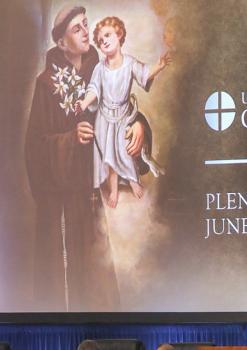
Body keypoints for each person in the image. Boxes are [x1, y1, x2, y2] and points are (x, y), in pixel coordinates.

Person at [24, 5, 148, 311]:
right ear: (62, 42)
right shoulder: (46, 84)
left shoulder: (104, 67)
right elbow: (34, 147)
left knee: (96, 280)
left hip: (90, 195)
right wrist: (69, 139)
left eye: (85, 24)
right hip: (61, 205)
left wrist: (139, 126)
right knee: (64, 282)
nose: (84, 31)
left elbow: (122, 109)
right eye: (76, 28)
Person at [75, 16, 168, 208]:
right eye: (100, 40)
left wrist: (158, 67)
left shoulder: (129, 63)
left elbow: (144, 74)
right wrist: (83, 103)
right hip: (104, 118)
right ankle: (114, 190)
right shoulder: (100, 68)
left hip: (124, 116)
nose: (104, 41)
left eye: (108, 35)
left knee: (124, 150)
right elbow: (93, 88)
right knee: (108, 156)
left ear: (119, 34)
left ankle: (133, 180)